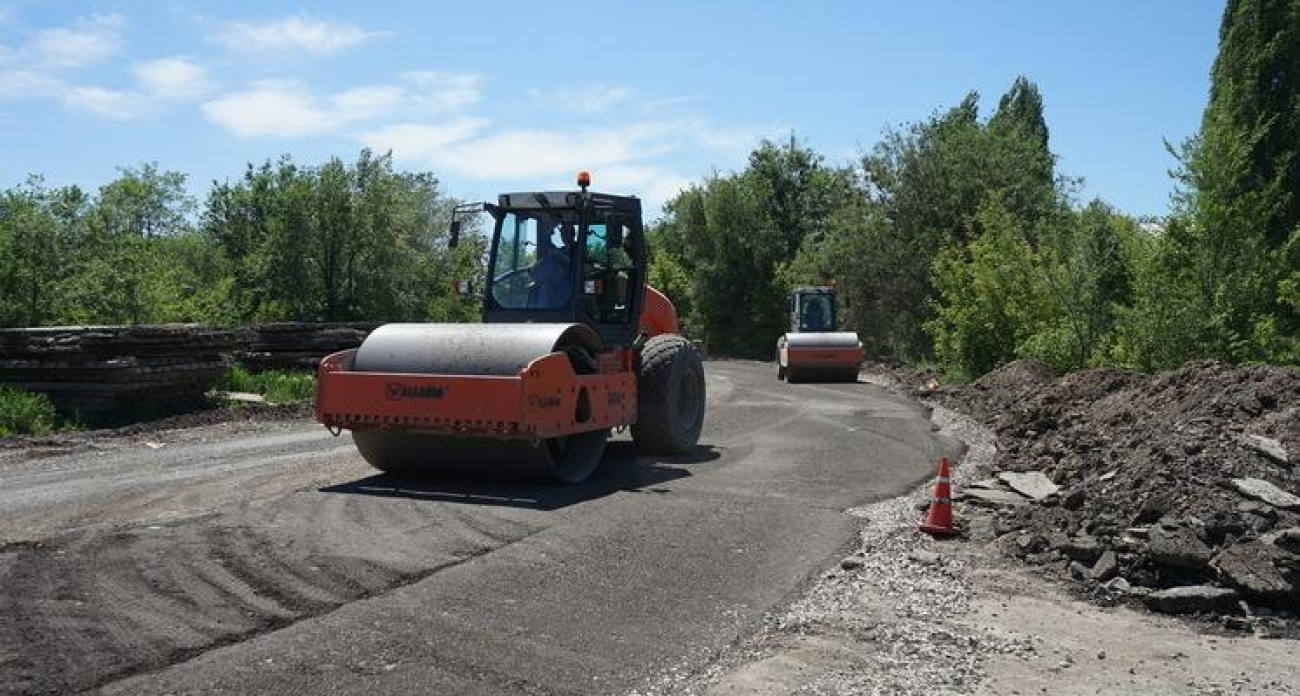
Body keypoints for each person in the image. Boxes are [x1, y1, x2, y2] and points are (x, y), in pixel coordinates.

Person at [529, 222, 574, 307]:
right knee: (536, 287)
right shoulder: (561, 250)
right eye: (562, 233)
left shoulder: (579, 248)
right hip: (554, 281)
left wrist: (562, 256)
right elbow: (547, 245)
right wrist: (551, 227)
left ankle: (542, 314)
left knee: (547, 289)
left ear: (572, 234)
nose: (564, 236)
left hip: (571, 284)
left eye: (566, 233)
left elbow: (581, 267)